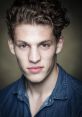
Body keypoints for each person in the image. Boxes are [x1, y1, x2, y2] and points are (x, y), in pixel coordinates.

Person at [0, 0, 82, 117]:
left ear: (58, 44)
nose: (34, 58)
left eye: (44, 45)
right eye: (23, 46)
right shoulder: (2, 102)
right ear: (12, 47)